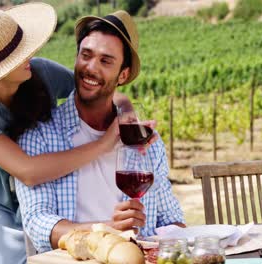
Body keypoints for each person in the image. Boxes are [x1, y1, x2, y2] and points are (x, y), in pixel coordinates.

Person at [0, 3, 139, 264]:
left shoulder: (40, 71)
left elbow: (98, 91)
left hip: (50, 169)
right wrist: (103, 145)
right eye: (18, 54)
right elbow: (27, 171)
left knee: (57, 249)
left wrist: (127, 111)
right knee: (14, 258)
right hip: (1, 186)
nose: (29, 54)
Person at [15, 10, 186, 254]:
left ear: (123, 75)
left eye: (106, 61)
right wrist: (105, 230)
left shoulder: (146, 143)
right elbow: (39, 223)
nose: (91, 68)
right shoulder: (39, 135)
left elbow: (171, 220)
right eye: (86, 55)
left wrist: (176, 238)